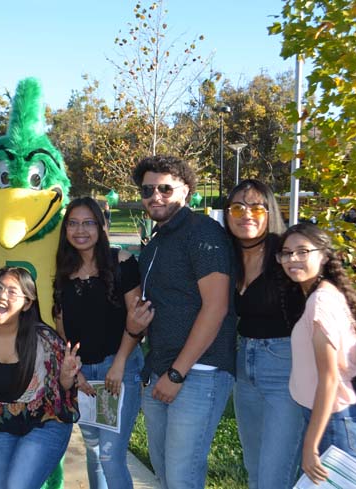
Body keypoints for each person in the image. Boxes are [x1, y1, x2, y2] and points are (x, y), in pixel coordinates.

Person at [126, 155, 236, 489]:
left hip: (197, 373)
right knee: (163, 471)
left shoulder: (203, 233)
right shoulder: (157, 240)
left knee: (181, 476)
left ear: (186, 191)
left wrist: (177, 373)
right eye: (148, 189)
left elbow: (215, 307)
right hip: (161, 370)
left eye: (165, 188)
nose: (155, 196)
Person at [52, 197, 143, 489]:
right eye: (73, 223)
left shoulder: (122, 263)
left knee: (109, 454)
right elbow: (61, 324)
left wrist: (118, 365)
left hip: (117, 369)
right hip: (83, 376)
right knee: (93, 449)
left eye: (88, 222)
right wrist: (73, 370)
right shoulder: (64, 270)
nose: (81, 230)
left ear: (102, 226)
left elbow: (137, 321)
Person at [0, 266, 80, 489]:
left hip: (45, 424)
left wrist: (66, 376)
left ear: (27, 303)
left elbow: (63, 392)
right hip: (2, 425)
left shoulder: (45, 341)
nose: (2, 295)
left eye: (12, 291)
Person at [223, 180, 306, 489]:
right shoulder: (226, 256)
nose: (247, 214)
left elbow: (326, 290)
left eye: (257, 207)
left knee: (274, 476)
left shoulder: (286, 255)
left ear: (270, 211)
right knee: (255, 469)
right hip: (244, 367)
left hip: (285, 369)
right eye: (238, 207)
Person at [277, 223, 356, 484]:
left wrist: (311, 446)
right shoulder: (331, 293)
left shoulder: (320, 302)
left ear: (324, 255)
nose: (292, 259)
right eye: (286, 253)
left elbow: (328, 380)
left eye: (302, 251)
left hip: (334, 420)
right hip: (336, 418)